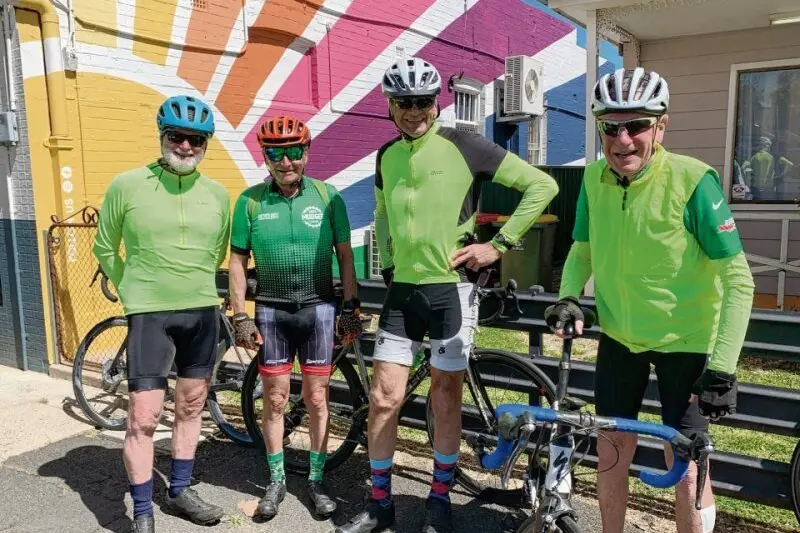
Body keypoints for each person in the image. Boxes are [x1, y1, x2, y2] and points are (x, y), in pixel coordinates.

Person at [335, 56, 559, 533]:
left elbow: (542, 186)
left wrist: (496, 246)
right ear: (390, 106)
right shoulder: (386, 155)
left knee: (444, 398)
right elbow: (380, 209)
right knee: (382, 397)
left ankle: (439, 497)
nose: (413, 111)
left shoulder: (465, 144)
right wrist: (390, 260)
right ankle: (380, 502)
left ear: (437, 103)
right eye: (403, 103)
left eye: (422, 102)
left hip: (451, 290)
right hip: (404, 291)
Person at [546, 67, 755, 533]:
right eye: (610, 126)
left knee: (687, 465)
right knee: (611, 450)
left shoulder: (694, 181)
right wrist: (569, 297)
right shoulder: (594, 180)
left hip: (688, 344)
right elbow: (582, 249)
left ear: (661, 126)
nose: (623, 139)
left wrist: (722, 366)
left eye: (637, 125)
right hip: (620, 340)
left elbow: (739, 281)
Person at [93, 95, 231, 533]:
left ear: (206, 143)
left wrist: (198, 285)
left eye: (195, 139)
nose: (186, 146)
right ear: (162, 137)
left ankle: (180, 491)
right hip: (150, 315)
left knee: (191, 406)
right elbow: (103, 246)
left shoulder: (217, 193)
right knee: (144, 415)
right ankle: (143, 511)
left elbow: (217, 251)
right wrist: (132, 289)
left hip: (202, 312)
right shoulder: (127, 185)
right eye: (177, 136)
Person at [228, 115, 361, 521]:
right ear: (265, 157)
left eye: (293, 152)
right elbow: (236, 260)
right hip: (271, 311)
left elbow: (344, 255)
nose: (286, 162)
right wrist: (239, 315)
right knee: (275, 400)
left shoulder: (327, 196)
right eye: (275, 154)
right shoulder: (250, 201)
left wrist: (352, 308)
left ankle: (317, 480)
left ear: (306, 152)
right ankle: (275, 479)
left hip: (319, 310)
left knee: (318, 398)